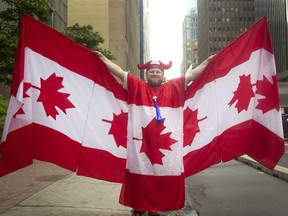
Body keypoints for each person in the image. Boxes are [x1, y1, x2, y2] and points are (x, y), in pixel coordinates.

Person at [96, 51, 214, 216]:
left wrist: (207, 62)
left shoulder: (174, 87)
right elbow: (119, 72)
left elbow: (192, 75)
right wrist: (103, 59)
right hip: (140, 142)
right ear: (147, 74)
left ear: (163, 74)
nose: (154, 73)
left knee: (160, 177)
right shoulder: (137, 86)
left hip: (166, 146)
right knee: (139, 175)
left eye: (158, 71)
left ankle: (154, 209)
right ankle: (139, 206)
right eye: (151, 71)